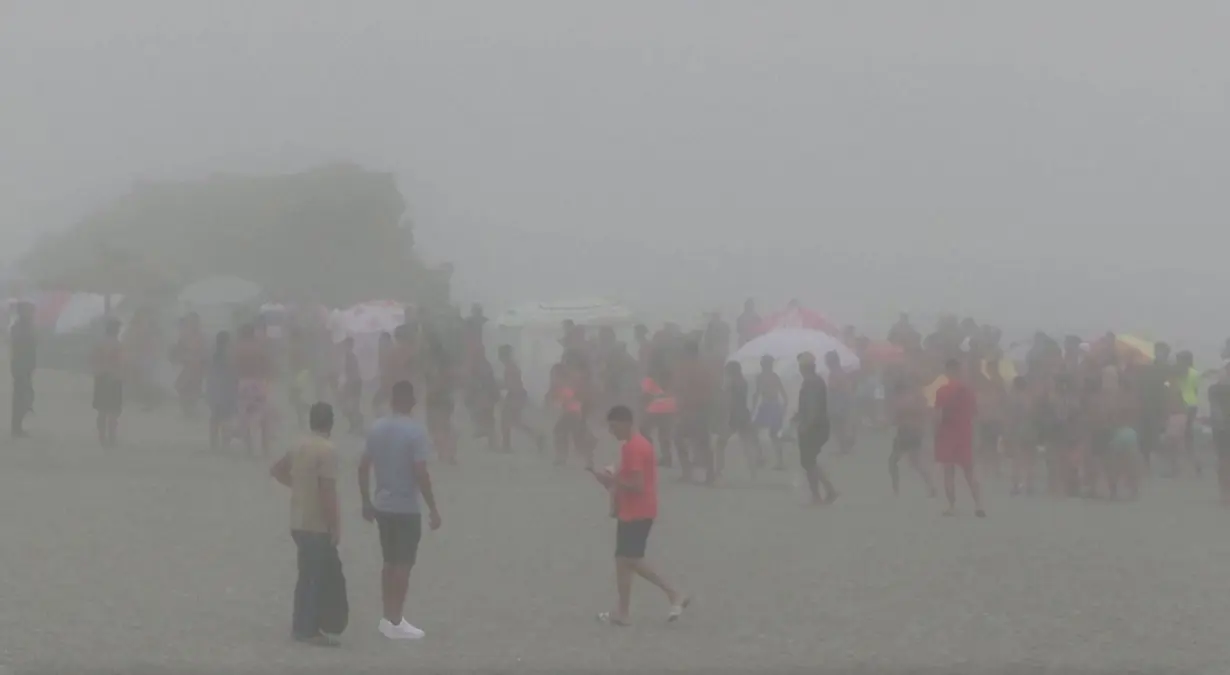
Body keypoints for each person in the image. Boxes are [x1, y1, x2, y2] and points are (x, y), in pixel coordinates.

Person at [359, 381, 441, 640]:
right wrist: (433, 507)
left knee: (389, 561)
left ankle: (388, 615)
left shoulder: (377, 428)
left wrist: (365, 500)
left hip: (382, 504)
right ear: (410, 401)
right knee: (403, 564)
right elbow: (420, 472)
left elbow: (362, 467)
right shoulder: (415, 432)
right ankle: (396, 619)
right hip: (406, 507)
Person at [593, 405, 688, 626]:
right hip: (632, 510)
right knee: (622, 561)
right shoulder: (636, 445)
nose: (612, 431)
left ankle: (674, 593)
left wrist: (611, 480)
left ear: (626, 423)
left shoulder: (634, 448)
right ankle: (622, 612)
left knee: (631, 560)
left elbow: (637, 485)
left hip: (638, 511)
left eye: (614, 426)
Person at [270, 402, 342, 646]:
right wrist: (335, 526)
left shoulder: (298, 444)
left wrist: (299, 485)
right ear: (331, 422)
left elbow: (277, 470)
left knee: (306, 574)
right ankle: (306, 629)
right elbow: (327, 492)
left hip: (297, 520)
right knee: (314, 576)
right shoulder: (327, 450)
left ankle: (302, 624)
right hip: (316, 523)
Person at [933, 359, 985, 516]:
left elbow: (938, 415)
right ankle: (979, 505)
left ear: (947, 371)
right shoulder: (968, 391)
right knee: (969, 471)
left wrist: (935, 433)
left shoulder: (942, 391)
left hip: (947, 433)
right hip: (965, 433)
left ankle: (952, 506)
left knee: (948, 471)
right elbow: (975, 414)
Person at [796, 353, 837, 504]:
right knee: (810, 461)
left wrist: (805, 426)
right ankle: (829, 491)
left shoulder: (810, 383)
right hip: (820, 425)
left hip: (813, 427)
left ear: (803, 368)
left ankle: (816, 497)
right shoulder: (817, 380)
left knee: (808, 462)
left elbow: (813, 409)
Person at [674, 341, 715, 484]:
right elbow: (710, 389)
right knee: (703, 442)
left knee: (680, 439)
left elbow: (681, 388)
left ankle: (688, 472)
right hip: (701, 409)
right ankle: (709, 473)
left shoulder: (686, 368)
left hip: (690, 410)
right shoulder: (704, 368)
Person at [888, 376, 935, 497]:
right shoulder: (911, 397)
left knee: (896, 461)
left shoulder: (913, 398)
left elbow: (920, 414)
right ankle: (930, 486)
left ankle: (896, 490)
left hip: (910, 432)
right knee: (914, 462)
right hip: (908, 431)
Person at [715, 361, 761, 481]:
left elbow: (727, 400)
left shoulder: (731, 383)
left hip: (734, 416)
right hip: (744, 415)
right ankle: (753, 473)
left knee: (720, 444)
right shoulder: (743, 382)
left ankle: (718, 471)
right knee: (747, 445)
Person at [496, 344, 544, 452]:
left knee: (507, 421)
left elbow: (512, 385)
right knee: (514, 421)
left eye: (500, 354)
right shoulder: (511, 366)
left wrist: (499, 384)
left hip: (516, 396)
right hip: (517, 395)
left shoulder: (510, 367)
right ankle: (537, 437)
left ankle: (506, 446)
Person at [91, 318, 125, 447]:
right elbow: (121, 363)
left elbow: (93, 360)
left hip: (101, 377)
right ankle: (112, 437)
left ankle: (102, 437)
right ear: (117, 330)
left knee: (102, 410)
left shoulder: (99, 343)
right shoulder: (118, 345)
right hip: (114, 379)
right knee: (113, 411)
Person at [751, 355, 788, 469]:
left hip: (767, 406)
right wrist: (783, 409)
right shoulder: (775, 376)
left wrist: (753, 410)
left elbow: (757, 394)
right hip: (775, 406)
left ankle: (761, 457)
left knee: (754, 432)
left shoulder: (761, 377)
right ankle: (779, 461)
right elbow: (785, 396)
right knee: (774, 435)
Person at [170, 312, 207, 417]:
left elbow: (204, 352)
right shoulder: (184, 335)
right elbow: (177, 351)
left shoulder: (200, 336)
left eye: (194, 321)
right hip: (188, 366)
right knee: (182, 387)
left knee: (193, 389)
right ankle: (187, 410)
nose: (192, 324)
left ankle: (190, 410)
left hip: (197, 367)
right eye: (190, 321)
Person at [206, 331, 238, 451]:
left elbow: (209, 371)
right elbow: (232, 372)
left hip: (213, 388)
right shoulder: (229, 355)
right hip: (225, 388)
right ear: (227, 342)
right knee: (226, 418)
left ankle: (213, 444)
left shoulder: (212, 354)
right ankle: (225, 445)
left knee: (214, 417)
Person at [10, 301, 36, 438]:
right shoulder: (19, 328)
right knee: (22, 396)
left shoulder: (26, 327)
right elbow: (20, 347)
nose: (32, 313)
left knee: (24, 395)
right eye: (29, 310)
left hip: (25, 366)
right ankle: (17, 426)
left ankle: (17, 425)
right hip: (21, 366)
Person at [1207, 363, 1230, 505]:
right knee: (1224, 461)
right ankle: (1225, 492)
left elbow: (1214, 408)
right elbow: (1215, 408)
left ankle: (1224, 493)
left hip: (1221, 428)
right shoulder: (1215, 389)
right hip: (1222, 429)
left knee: (1223, 460)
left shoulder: (1214, 389)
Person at [825, 351, 856, 454]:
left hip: (837, 402)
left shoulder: (835, 373)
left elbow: (834, 387)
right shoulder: (841, 372)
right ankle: (845, 445)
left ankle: (844, 446)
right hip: (842, 401)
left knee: (837, 425)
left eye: (827, 361)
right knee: (840, 425)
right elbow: (848, 388)